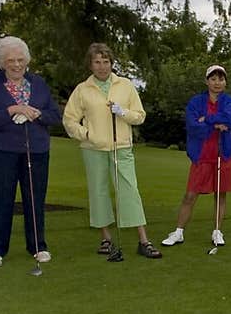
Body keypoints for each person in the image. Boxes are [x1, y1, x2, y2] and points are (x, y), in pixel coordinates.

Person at [62, 43, 162, 259]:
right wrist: (86, 134)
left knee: (129, 191)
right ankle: (106, 238)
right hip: (93, 148)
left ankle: (143, 240)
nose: (101, 67)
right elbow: (69, 119)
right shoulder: (82, 89)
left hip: (121, 146)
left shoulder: (125, 85)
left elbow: (139, 115)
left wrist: (122, 112)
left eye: (105, 62)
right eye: (97, 62)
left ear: (111, 63)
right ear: (90, 64)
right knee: (98, 191)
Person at [0, 36, 61, 268]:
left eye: (20, 59)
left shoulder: (38, 84)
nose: (16, 64)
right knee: (1, 200)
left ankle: (38, 246)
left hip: (36, 151)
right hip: (1, 152)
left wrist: (38, 114)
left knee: (35, 199)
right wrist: (10, 110)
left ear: (27, 60)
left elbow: (55, 115)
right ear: (2, 62)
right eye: (10, 60)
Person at [161, 65, 231, 247]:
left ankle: (217, 232)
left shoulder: (229, 101)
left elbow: (230, 120)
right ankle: (178, 232)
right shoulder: (196, 101)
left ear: (225, 82)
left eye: (221, 79)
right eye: (213, 79)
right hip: (202, 154)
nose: (217, 83)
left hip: (223, 154)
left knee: (220, 195)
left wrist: (207, 119)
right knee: (190, 195)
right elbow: (193, 125)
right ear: (207, 81)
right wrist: (215, 124)